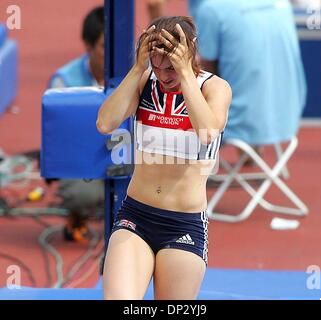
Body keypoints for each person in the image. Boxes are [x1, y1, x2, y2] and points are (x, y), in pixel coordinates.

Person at [97, 16, 231, 299]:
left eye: (170, 67)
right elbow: (105, 124)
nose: (163, 75)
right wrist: (137, 69)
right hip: (136, 215)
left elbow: (207, 131)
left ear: (190, 53)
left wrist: (185, 75)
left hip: (184, 224)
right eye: (156, 66)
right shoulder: (145, 81)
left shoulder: (213, 88)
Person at [194, 0, 306, 160]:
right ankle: (250, 153)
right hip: (288, 115)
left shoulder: (211, 9)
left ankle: (186, 178)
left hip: (240, 122)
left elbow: (206, 70)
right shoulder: (282, 3)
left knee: (176, 91)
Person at [47, 6, 105, 242]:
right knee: (84, 195)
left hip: (127, 155)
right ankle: (78, 212)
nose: (112, 53)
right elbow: (58, 141)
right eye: (104, 46)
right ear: (88, 45)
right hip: (84, 162)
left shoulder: (134, 74)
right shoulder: (64, 81)